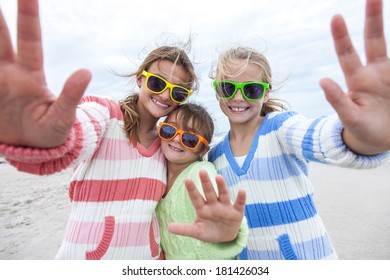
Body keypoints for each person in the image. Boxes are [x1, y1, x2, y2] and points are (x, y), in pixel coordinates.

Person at [0, 0, 245, 260]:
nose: (165, 94)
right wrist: (46, 136)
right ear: (140, 78)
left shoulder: (167, 146)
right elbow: (78, 133)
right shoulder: (105, 115)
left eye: (178, 91)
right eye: (157, 82)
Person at [208, 0, 390, 260]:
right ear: (217, 91)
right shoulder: (215, 156)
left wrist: (362, 138)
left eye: (251, 89)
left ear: (266, 92)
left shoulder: (280, 129)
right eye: (228, 88)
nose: (238, 98)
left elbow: (319, 137)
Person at [155, 103, 248, 259]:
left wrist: (225, 229)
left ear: (203, 150)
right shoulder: (157, 176)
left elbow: (214, 200)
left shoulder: (199, 172)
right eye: (169, 130)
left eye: (190, 138)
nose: (177, 139)